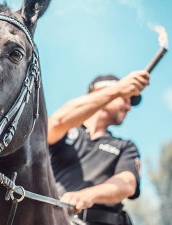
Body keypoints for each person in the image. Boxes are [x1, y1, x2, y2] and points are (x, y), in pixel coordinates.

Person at [48, 70, 150, 225]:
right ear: (99, 91)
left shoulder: (125, 147)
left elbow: (127, 183)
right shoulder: (65, 131)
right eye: (125, 98)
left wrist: (87, 195)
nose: (129, 107)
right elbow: (55, 123)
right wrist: (117, 90)